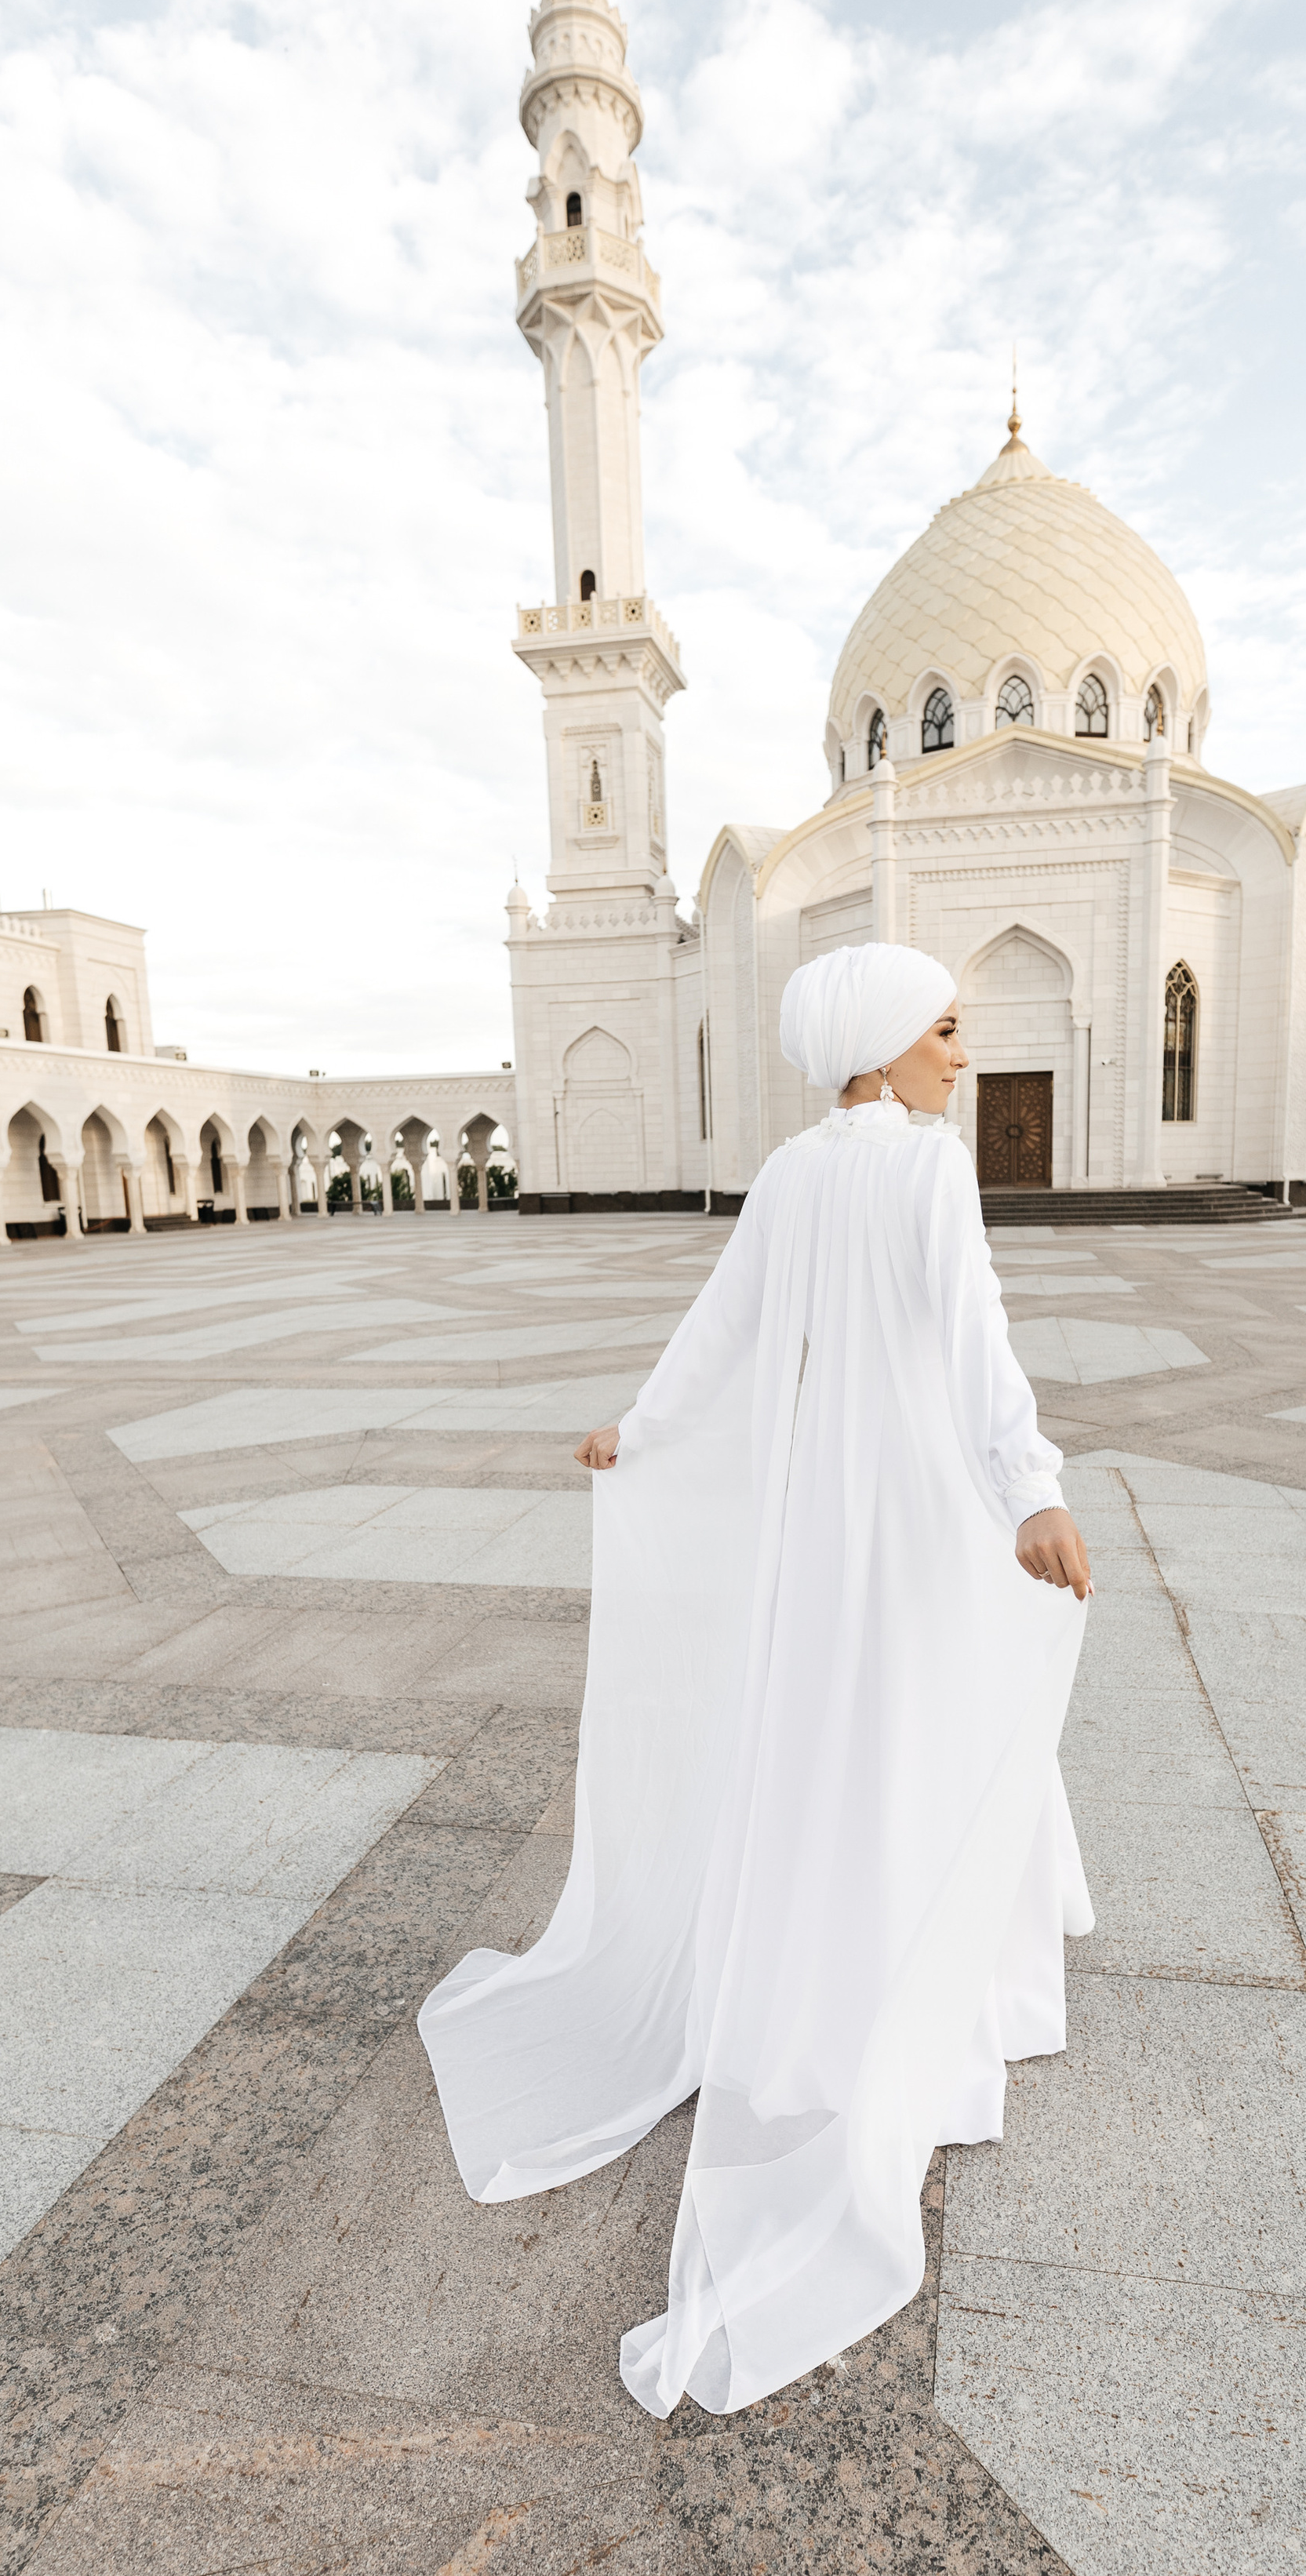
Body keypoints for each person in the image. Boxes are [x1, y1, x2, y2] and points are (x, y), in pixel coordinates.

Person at [418, 941, 1096, 2418]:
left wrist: (643, 1428)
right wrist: (1031, 1490)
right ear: (886, 1040)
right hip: (919, 1501)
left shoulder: (790, 1174)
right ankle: (936, 1963)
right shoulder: (923, 1171)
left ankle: (877, 1944)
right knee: (938, 1711)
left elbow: (715, 1337)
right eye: (947, 1031)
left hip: (822, 1512)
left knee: (861, 1719)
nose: (961, 1057)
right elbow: (976, 1346)